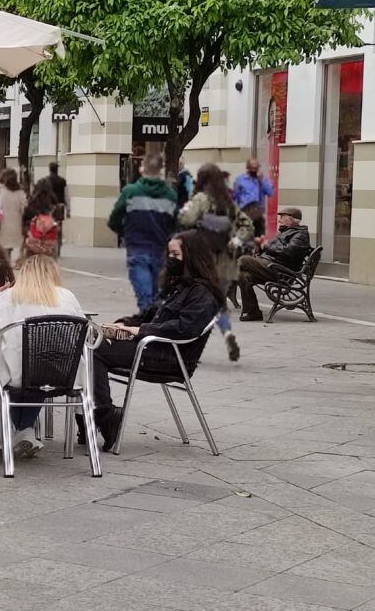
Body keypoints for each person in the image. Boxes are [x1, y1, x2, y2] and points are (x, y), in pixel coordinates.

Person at [91, 231, 222, 449]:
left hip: (170, 357)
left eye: (176, 254)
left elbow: (184, 329)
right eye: (169, 253)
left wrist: (139, 330)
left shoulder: (203, 293)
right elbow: (147, 315)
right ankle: (89, 418)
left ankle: (104, 417)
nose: (170, 259)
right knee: (88, 343)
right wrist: (122, 324)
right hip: (152, 347)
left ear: (192, 257)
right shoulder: (178, 285)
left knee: (94, 352)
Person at [0, 254, 85, 459]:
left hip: (16, 374)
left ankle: (19, 433)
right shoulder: (67, 296)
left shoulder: (9, 297)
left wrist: (3, 343)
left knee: (18, 370)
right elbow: (84, 334)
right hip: (62, 375)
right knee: (41, 369)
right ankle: (23, 431)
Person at [178, 162, 254, 361]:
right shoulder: (228, 202)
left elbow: (186, 220)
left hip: (204, 262)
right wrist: (237, 239)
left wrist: (185, 209)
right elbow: (247, 224)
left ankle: (192, 346)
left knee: (197, 304)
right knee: (219, 303)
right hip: (227, 264)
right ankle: (227, 333)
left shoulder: (201, 198)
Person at [107, 152, 179, 315]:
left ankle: (148, 327)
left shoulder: (131, 192)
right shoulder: (170, 195)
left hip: (137, 248)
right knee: (156, 295)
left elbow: (114, 220)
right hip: (159, 250)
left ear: (142, 169)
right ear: (161, 171)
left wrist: (126, 233)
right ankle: (157, 328)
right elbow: (175, 225)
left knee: (145, 300)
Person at [236, 206, 311, 322]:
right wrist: (260, 248)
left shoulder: (301, 235)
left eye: (282, 217)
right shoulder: (286, 232)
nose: (279, 219)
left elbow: (288, 252)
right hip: (271, 266)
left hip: (281, 272)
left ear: (290, 219)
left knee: (242, 260)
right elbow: (273, 249)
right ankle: (252, 312)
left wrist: (266, 245)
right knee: (243, 276)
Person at [232, 158, 274, 238]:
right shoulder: (241, 180)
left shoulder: (263, 179)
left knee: (259, 236)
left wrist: (261, 180)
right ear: (248, 168)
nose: (254, 170)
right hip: (245, 211)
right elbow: (235, 196)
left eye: (256, 168)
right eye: (252, 168)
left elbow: (270, 193)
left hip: (258, 211)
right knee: (245, 235)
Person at [23, 179, 61, 257]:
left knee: (33, 261)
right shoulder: (53, 201)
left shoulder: (32, 202)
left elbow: (25, 218)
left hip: (34, 239)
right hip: (49, 241)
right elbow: (58, 218)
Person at [0, 169, 26, 256]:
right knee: (11, 247)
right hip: (16, 225)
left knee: (3, 248)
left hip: (2, 225)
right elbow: (24, 209)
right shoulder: (20, 192)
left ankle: (6, 264)